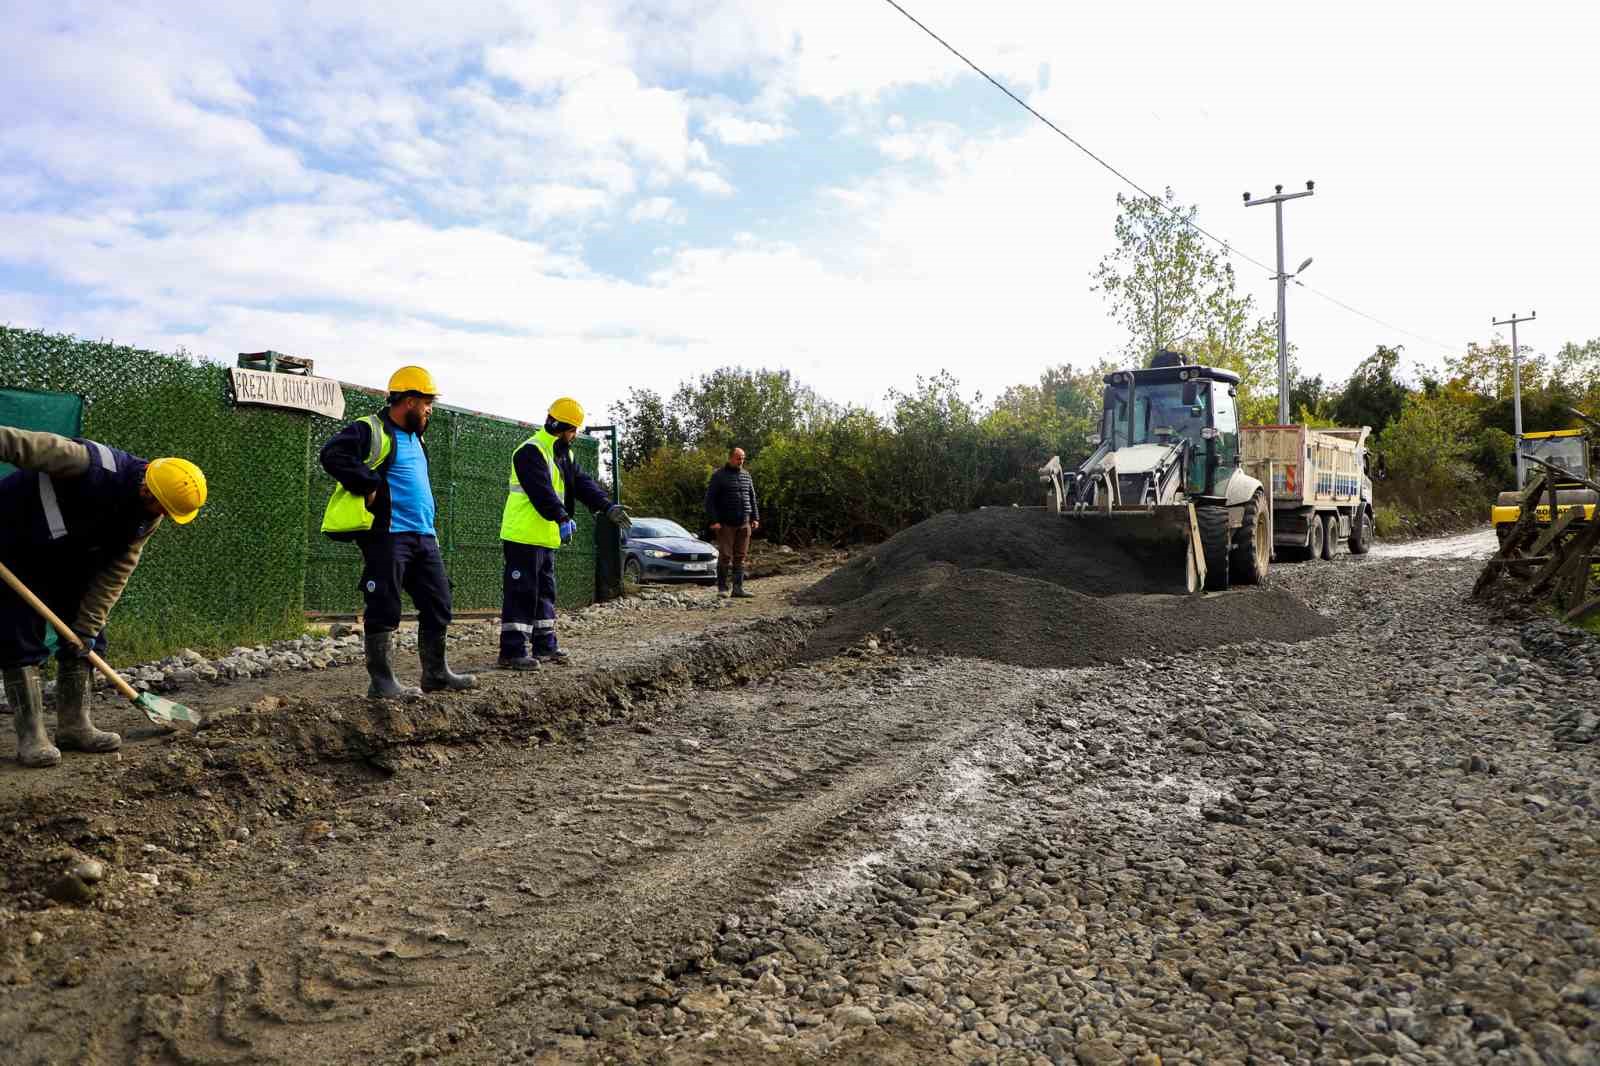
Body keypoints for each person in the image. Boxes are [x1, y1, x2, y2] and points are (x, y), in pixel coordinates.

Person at [0, 426, 206, 768]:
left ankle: (74, 726)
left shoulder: (148, 516)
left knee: (87, 637)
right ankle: (31, 737)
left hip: (68, 555)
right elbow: (17, 443)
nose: (164, 517)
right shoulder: (88, 463)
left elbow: (118, 569)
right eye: (164, 508)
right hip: (13, 542)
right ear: (148, 488)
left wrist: (88, 628)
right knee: (21, 635)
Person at [319, 366, 476, 698]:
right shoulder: (370, 428)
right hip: (388, 534)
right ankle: (382, 682)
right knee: (384, 604)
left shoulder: (418, 436)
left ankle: (436, 674)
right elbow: (332, 454)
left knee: (439, 602)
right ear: (408, 401)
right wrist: (370, 483)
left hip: (423, 534)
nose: (430, 408)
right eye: (426, 402)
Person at [497, 397, 631, 668]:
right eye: (573, 430)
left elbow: (582, 484)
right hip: (523, 535)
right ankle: (512, 652)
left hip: (545, 536)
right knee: (522, 592)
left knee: (545, 592)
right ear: (561, 427)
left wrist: (607, 507)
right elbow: (540, 491)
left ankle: (544, 646)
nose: (575, 435)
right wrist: (561, 516)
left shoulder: (563, 454)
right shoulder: (530, 451)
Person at [704, 446, 759, 599]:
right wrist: (714, 521)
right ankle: (722, 588)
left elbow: (752, 498)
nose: (741, 461)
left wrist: (755, 518)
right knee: (725, 555)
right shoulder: (718, 476)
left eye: (743, 458)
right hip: (725, 523)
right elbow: (709, 501)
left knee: (740, 556)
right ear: (730, 458)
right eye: (738, 458)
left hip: (744, 522)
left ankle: (738, 588)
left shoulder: (747, 476)